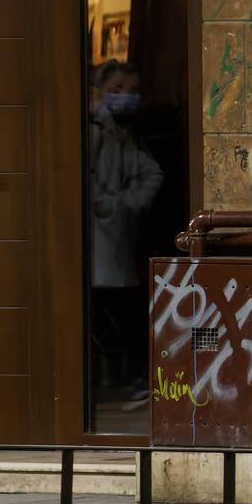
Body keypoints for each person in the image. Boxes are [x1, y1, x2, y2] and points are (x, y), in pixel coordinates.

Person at [89, 62, 163, 400]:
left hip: (115, 240)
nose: (125, 97)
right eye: (117, 89)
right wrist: (106, 203)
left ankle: (123, 379)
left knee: (116, 311)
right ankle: (112, 380)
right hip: (97, 242)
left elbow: (152, 174)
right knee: (109, 312)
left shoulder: (125, 135)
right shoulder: (95, 132)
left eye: (131, 90)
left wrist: (123, 204)